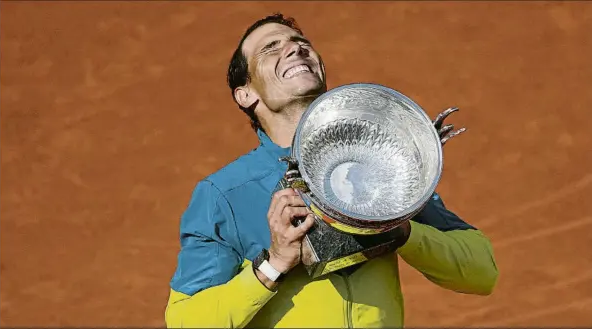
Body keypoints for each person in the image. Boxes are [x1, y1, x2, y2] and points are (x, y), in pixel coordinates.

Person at [165, 13, 498, 328]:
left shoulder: (377, 164)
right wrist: (275, 263)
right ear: (246, 94)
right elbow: (186, 320)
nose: (295, 48)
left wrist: (397, 229)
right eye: (271, 48)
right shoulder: (225, 194)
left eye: (299, 41)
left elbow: (481, 273)